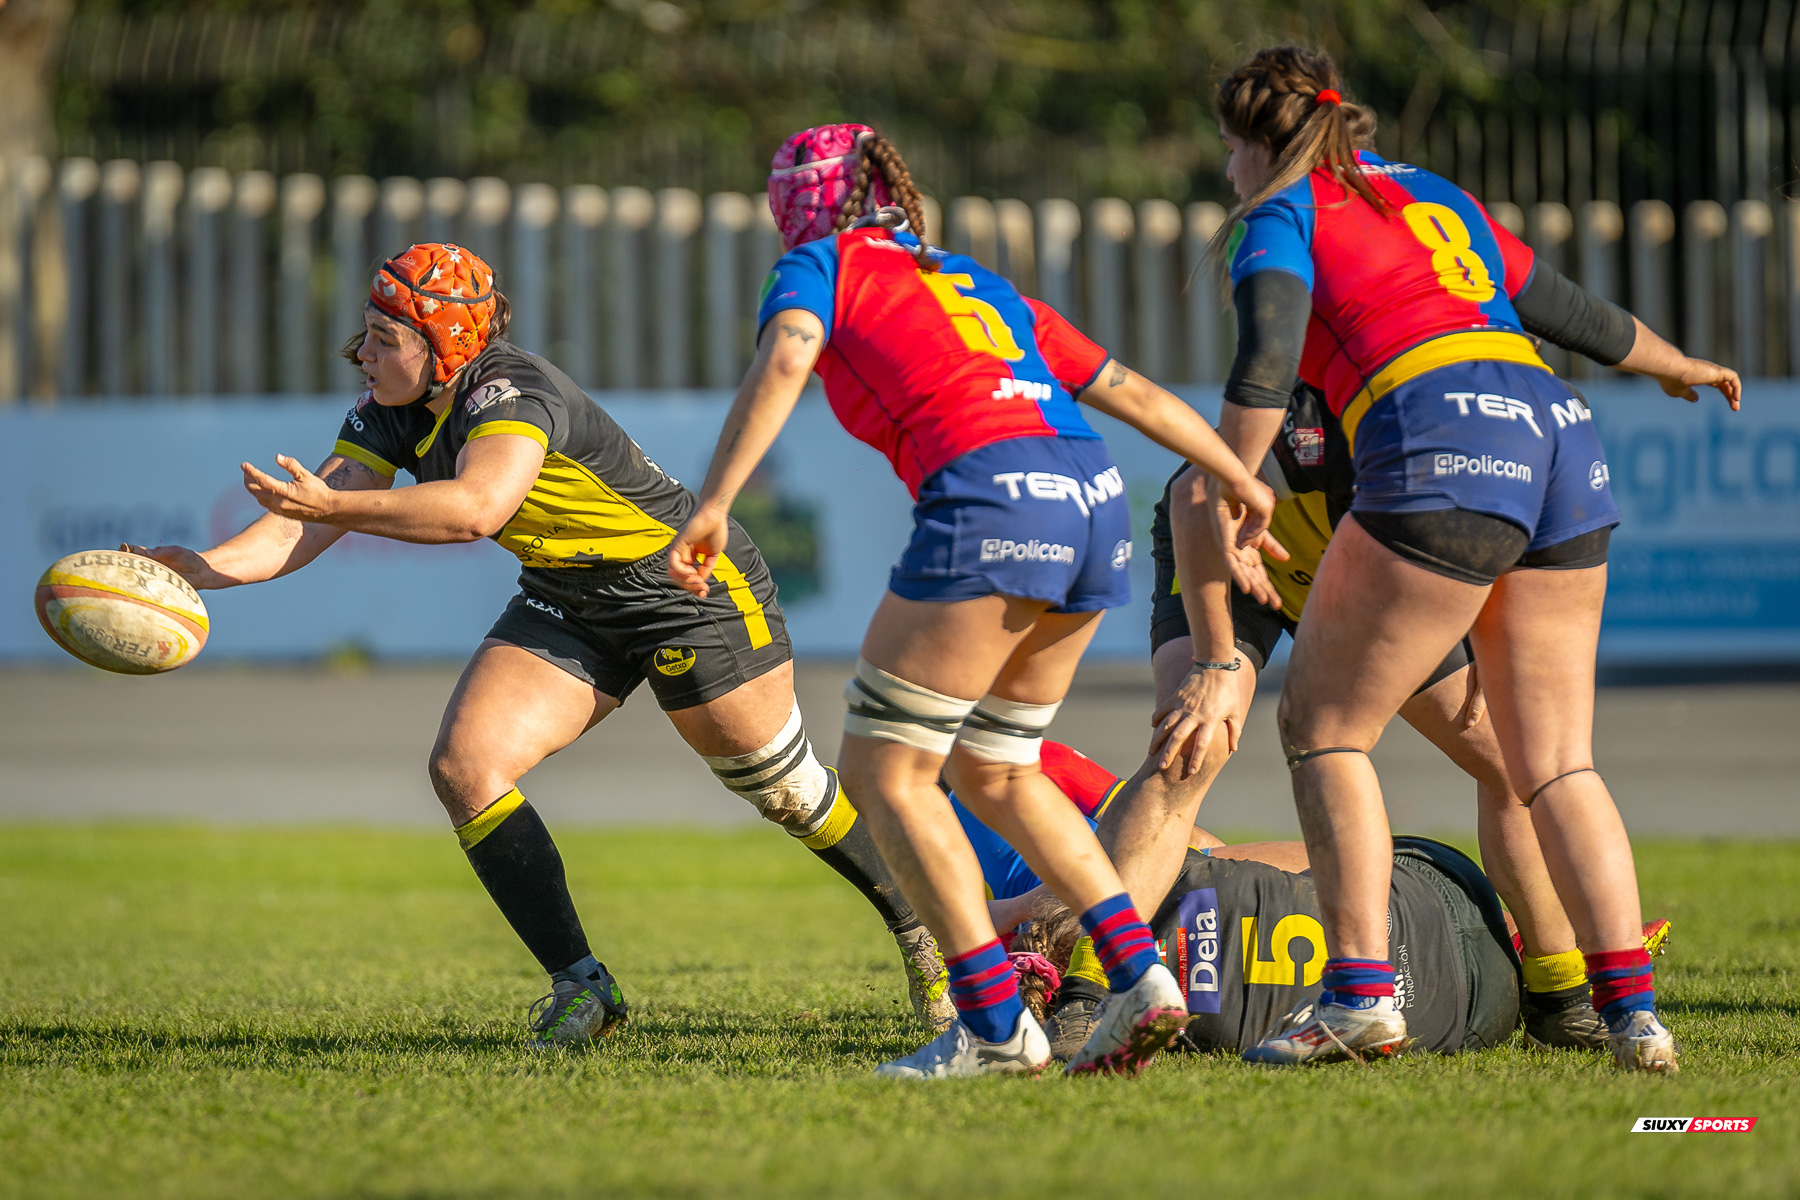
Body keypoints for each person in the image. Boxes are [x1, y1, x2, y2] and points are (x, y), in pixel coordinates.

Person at [127, 241, 957, 1048]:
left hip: (683, 587)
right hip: (569, 597)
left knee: (785, 790)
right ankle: (581, 985)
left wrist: (332, 510)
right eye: (370, 333)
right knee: (465, 766)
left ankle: (926, 926)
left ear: (445, 347)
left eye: (386, 339)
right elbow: (305, 520)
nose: (364, 354)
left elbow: (476, 509)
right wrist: (198, 570)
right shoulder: (387, 413)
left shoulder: (510, 391)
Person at [668, 124, 1278, 1078]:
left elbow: (788, 359)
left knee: (885, 776)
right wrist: (1236, 473)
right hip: (1091, 505)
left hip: (990, 505)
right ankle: (1141, 974)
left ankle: (994, 1027)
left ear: (801, 206)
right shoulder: (980, 283)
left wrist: (712, 505)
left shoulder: (821, 266)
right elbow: (1130, 391)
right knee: (999, 766)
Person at [1192, 47, 1737, 1071]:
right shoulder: (1438, 197)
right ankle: (1634, 1019)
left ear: (1267, 143)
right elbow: (1567, 309)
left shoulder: (1279, 214)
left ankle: (1359, 1000)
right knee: (1555, 760)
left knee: (1323, 724)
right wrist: (1676, 365)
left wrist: (1235, 490)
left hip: (1439, 436)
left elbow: (1265, 364)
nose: (1227, 174)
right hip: (1560, 434)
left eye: (1230, 151)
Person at [1050, 382, 1617, 1060]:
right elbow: (1193, 495)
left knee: (1510, 758)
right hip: (1231, 542)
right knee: (1188, 749)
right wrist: (1212, 663)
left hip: (1357, 569)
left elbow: (1508, 562)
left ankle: (1559, 998)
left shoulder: (1508, 447)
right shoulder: (1339, 418)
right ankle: (1085, 997)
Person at [968, 740, 1674, 1060]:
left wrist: (1010, 919)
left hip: (1472, 985)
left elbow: (1064, 776)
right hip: (1455, 930)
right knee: (1518, 754)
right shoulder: (1169, 872)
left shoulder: (1079, 849)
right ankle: (1584, 984)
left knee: (1305, 756)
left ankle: (1574, 975)